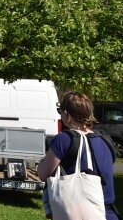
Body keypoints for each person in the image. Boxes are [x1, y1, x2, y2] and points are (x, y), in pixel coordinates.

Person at [37, 91, 119, 220]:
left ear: (67, 114)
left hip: (79, 213)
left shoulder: (64, 139)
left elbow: (42, 174)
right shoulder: (105, 139)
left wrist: (42, 162)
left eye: (60, 110)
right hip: (109, 213)